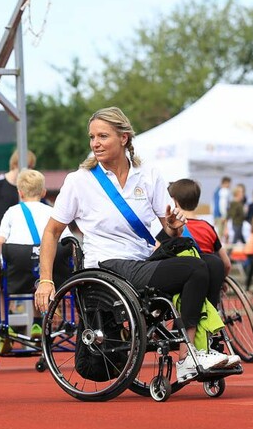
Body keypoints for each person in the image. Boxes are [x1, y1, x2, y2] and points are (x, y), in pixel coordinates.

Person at [34, 107, 237, 383]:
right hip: (107, 266)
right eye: (92, 137)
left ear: (124, 138)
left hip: (141, 261)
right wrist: (45, 279)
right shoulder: (79, 181)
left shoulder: (148, 174)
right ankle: (188, 358)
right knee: (194, 269)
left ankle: (203, 344)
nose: (95, 143)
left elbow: (168, 227)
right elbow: (51, 232)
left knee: (212, 263)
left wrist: (175, 227)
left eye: (103, 136)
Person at [0, 169, 73, 338]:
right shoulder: (52, 211)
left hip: (18, 273)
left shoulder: (12, 212)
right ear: (43, 192)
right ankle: (37, 322)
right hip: (51, 274)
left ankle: (5, 322)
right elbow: (69, 241)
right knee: (40, 274)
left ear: (19, 192)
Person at [167, 179, 231, 309]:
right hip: (211, 278)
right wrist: (221, 280)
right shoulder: (208, 227)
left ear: (174, 201)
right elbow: (226, 263)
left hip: (184, 281)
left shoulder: (173, 229)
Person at [0, 149, 36, 245]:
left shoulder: (26, 188)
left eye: (31, 168)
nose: (30, 171)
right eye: (28, 167)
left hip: (15, 244)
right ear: (16, 164)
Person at [212, 176, 231, 243]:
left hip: (217, 214)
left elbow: (214, 204)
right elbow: (222, 204)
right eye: (229, 184)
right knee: (221, 233)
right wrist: (224, 215)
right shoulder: (224, 191)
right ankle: (220, 250)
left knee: (221, 233)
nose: (229, 186)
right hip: (221, 214)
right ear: (225, 183)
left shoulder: (217, 191)